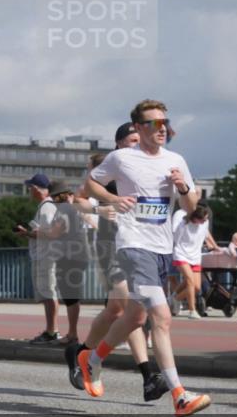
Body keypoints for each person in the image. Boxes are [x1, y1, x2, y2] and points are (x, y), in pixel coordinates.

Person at [81, 99, 212, 417]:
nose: (162, 128)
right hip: (132, 245)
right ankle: (179, 395)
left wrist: (183, 188)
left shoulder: (176, 159)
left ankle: (92, 359)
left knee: (135, 318)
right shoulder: (122, 158)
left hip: (162, 247)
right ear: (139, 128)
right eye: (154, 123)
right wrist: (113, 199)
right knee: (162, 317)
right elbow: (89, 185)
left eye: (164, 122)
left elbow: (191, 207)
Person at [71, 127, 168, 402]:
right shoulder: (113, 164)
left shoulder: (150, 166)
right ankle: (143, 373)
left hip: (139, 244)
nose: (140, 144)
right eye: (134, 140)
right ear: (120, 143)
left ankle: (89, 354)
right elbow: (78, 199)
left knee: (123, 309)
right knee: (124, 305)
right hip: (110, 243)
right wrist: (100, 209)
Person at [15, 173, 60, 343]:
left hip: (46, 256)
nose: (29, 191)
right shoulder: (47, 205)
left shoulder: (47, 206)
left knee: (49, 293)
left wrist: (28, 233)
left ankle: (52, 331)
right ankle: (51, 330)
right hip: (45, 255)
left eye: (30, 188)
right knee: (47, 293)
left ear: (36, 189)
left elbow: (51, 233)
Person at [46, 180, 89, 344]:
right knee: (73, 295)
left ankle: (72, 334)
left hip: (69, 256)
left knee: (70, 296)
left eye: (53, 198)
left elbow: (55, 233)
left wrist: (35, 233)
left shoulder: (64, 210)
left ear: (57, 197)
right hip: (80, 255)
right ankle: (72, 332)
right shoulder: (76, 208)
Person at [171, 204, 219, 319]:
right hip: (181, 254)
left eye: (206, 219)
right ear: (195, 218)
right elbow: (176, 239)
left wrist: (214, 246)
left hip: (195, 256)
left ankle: (175, 298)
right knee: (190, 280)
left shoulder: (204, 222)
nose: (204, 222)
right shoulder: (183, 224)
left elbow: (206, 234)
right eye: (202, 220)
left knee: (196, 287)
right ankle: (192, 311)